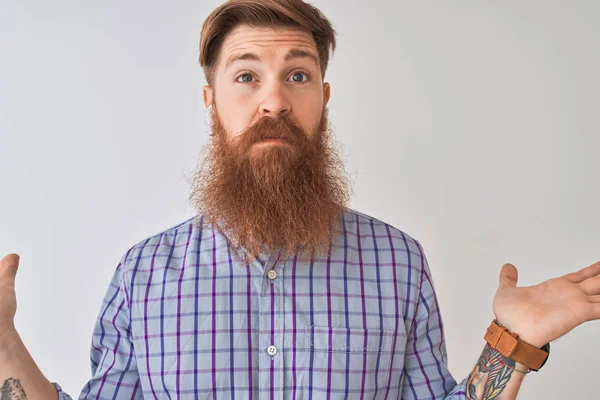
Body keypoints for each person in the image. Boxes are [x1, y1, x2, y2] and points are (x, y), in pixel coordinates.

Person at [1, 0, 599, 399]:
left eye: (297, 74)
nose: (275, 103)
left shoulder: (398, 264)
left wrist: (513, 344)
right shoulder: (142, 276)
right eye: (246, 76)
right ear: (210, 101)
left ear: (324, 96)